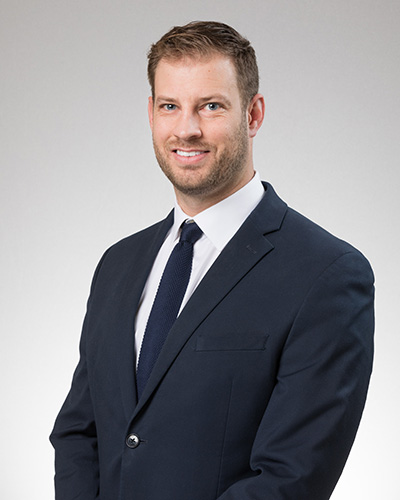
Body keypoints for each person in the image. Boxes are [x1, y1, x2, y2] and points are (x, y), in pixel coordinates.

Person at [50, 21, 374, 500]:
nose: (187, 128)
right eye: (170, 106)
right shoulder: (117, 265)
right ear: (151, 113)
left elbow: (291, 478)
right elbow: (80, 431)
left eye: (212, 106)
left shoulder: (326, 275)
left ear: (254, 114)